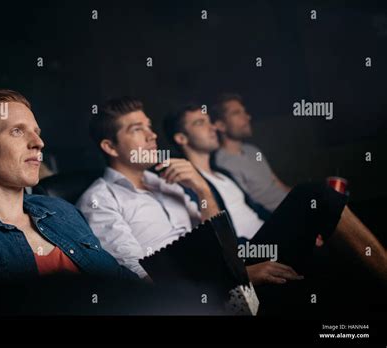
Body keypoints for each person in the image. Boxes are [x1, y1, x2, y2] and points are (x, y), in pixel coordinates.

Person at [0, 89, 137, 288]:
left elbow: (123, 283)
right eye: (17, 131)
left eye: (36, 132)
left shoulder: (63, 211)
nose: (38, 143)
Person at [163, 103, 387, 286]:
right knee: (314, 193)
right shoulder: (185, 184)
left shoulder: (224, 173)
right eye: (200, 123)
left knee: (332, 233)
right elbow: (209, 240)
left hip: (269, 234)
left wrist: (305, 226)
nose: (212, 127)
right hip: (247, 251)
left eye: (209, 121)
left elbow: (258, 210)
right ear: (181, 138)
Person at [77, 97, 220, 280]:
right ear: (111, 147)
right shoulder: (100, 200)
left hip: (218, 278)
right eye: (137, 129)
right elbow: (143, 279)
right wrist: (227, 278)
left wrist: (202, 189)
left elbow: (216, 241)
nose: (152, 135)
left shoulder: (166, 181)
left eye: (149, 126)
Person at [212, 93, 290, 212]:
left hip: (294, 205)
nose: (247, 117)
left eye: (244, 112)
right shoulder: (222, 164)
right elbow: (250, 207)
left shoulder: (252, 150)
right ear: (221, 125)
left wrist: (303, 196)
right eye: (236, 113)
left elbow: (278, 184)